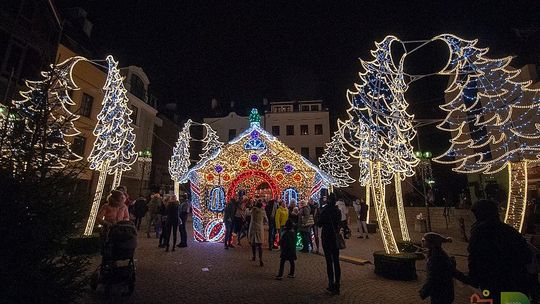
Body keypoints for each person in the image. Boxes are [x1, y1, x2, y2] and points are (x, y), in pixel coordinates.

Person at [454, 199, 532, 303]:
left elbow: (475, 260)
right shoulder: (509, 231)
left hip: (495, 285)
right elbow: (527, 256)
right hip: (517, 283)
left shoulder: (480, 233)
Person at [419, 232, 455, 304]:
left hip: (441, 293)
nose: (422, 241)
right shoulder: (438, 253)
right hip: (445, 291)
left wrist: (424, 291)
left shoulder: (436, 258)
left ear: (432, 243)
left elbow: (432, 277)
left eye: (424, 240)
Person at [318, 193, 341, 295]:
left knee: (329, 261)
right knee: (336, 261)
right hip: (334, 237)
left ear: (328, 200)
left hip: (327, 237)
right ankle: (337, 284)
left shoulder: (325, 210)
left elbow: (319, 224)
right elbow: (339, 223)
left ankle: (331, 283)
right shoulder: (338, 211)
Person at [248, 201, 268, 266]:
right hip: (259, 228)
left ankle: (254, 256)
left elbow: (247, 214)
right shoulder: (263, 212)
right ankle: (260, 259)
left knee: (253, 243)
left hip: (253, 228)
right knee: (260, 245)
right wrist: (263, 222)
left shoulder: (253, 211)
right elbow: (266, 220)